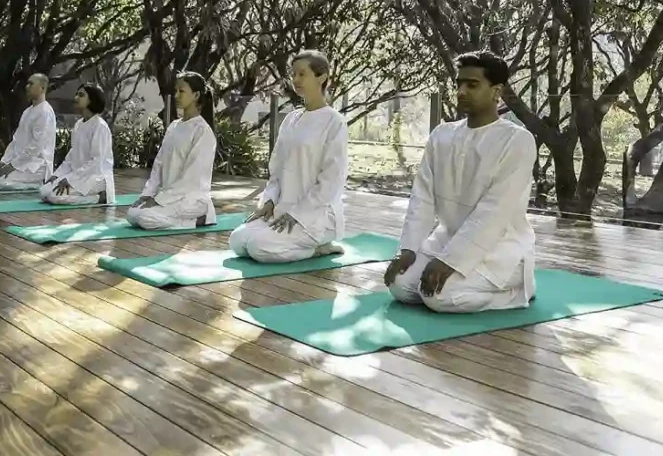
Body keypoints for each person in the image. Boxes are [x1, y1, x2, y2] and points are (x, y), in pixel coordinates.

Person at [384, 51, 538, 313]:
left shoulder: (517, 141)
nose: (461, 91)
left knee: (437, 298)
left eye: (473, 85)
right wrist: (409, 248)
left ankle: (517, 290)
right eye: (459, 84)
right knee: (399, 285)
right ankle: (456, 276)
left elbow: (494, 212)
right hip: (447, 238)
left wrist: (451, 261)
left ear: (496, 91)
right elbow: (422, 197)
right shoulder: (442, 135)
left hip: (500, 248)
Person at [229, 50, 347, 263]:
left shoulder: (334, 121)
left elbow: (331, 181)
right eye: (293, 74)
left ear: (322, 76)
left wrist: (298, 214)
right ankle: (288, 237)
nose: (296, 80)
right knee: (238, 240)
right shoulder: (291, 119)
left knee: (258, 247)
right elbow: (276, 171)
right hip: (281, 210)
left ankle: (319, 248)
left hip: (314, 216)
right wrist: (269, 202)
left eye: (302, 74)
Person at [127, 72, 217, 229]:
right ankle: (184, 220)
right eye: (176, 90)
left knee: (145, 218)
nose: (176, 95)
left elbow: (191, 178)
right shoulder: (174, 126)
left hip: (192, 200)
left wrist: (159, 200)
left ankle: (198, 218)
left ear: (196, 95)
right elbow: (159, 164)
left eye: (181, 91)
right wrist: (148, 194)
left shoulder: (203, 131)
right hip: (171, 198)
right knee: (132, 214)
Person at [39, 84, 115, 205]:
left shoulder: (99, 126)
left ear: (92, 100)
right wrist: (57, 175)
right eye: (76, 94)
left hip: (96, 177)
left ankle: (98, 198)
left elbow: (96, 162)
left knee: (55, 197)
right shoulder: (79, 124)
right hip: (79, 175)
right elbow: (71, 156)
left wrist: (70, 180)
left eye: (81, 95)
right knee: (44, 191)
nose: (76, 98)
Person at [0, 73, 57, 191]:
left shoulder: (45, 112)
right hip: (22, 163)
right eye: (27, 83)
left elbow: (36, 147)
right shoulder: (27, 111)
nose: (27, 86)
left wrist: (12, 165)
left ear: (42, 88)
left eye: (31, 84)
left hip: (37, 165)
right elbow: (16, 140)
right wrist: (4, 161)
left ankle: (37, 184)